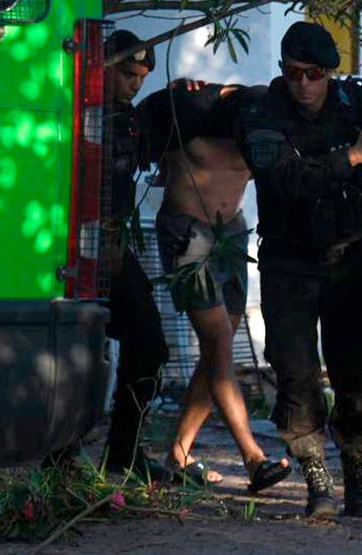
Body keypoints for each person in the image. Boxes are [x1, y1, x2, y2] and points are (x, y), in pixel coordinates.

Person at [235, 21, 362, 518]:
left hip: (349, 258)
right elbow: (286, 178)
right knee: (295, 374)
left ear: (330, 72)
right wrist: (354, 154)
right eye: (294, 73)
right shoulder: (262, 112)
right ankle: (317, 475)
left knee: (355, 372)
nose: (304, 84)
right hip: (288, 262)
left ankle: (357, 471)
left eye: (314, 74)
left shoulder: (356, 102)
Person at [135, 82, 291, 492]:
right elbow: (147, 118)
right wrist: (178, 88)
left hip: (232, 234)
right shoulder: (190, 113)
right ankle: (253, 458)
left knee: (216, 350)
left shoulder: (263, 133)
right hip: (186, 232)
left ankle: (179, 454)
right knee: (219, 341)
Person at [99, 30, 171, 482]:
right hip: (82, 250)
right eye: (127, 74)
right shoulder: (81, 113)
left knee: (149, 347)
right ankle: (61, 457)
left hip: (115, 249)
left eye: (141, 77)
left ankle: (124, 454)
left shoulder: (128, 119)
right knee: (81, 352)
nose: (134, 84)